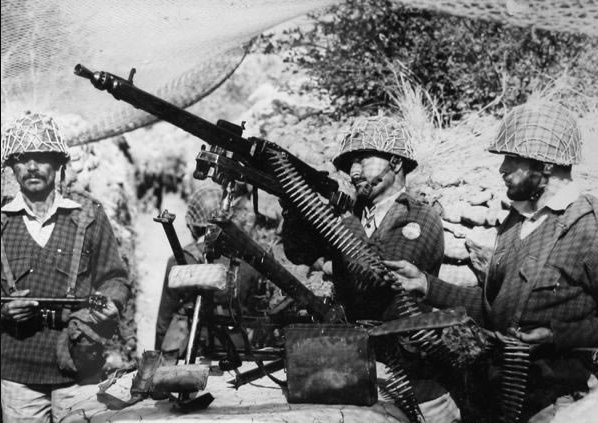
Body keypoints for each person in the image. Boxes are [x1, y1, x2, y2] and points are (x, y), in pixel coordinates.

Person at [387, 101, 598, 422]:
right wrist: (426, 284)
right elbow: (494, 308)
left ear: (546, 166)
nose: (502, 169)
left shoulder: (588, 227)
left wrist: (556, 335)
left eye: (513, 159)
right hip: (500, 394)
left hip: (559, 402)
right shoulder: (516, 222)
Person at [281, 116, 459, 423]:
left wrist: (343, 218)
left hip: (411, 385)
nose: (353, 172)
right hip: (355, 370)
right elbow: (299, 251)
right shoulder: (355, 216)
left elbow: (378, 278)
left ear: (395, 162)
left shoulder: (417, 217)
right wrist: (295, 204)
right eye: (350, 163)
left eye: (362, 159)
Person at [0, 112, 131, 422]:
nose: (32, 166)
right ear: (12, 168)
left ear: (59, 163)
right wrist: (4, 311)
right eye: (22, 158)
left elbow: (115, 278)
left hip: (80, 366)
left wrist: (110, 302)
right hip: (19, 372)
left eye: (42, 157)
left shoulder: (88, 213)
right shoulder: (3, 220)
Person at [155, 184, 262, 356]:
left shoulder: (177, 261)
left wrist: (160, 358)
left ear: (191, 225)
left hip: (189, 348)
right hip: (236, 348)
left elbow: (164, 322)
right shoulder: (246, 262)